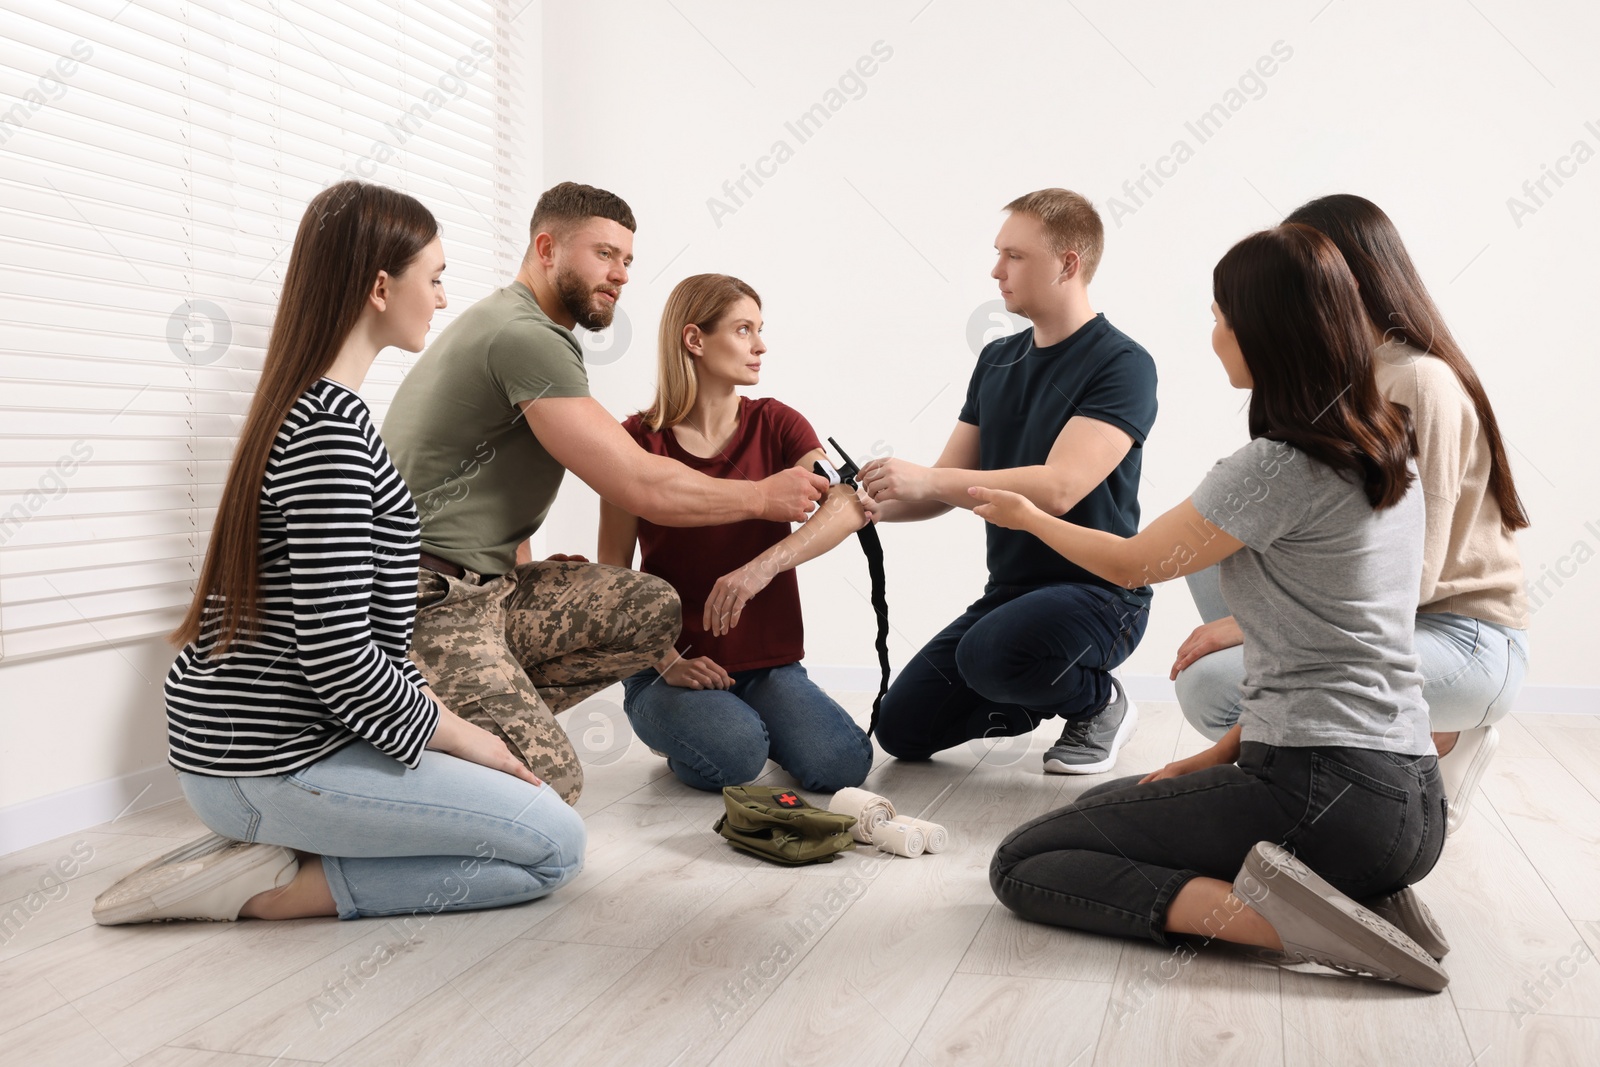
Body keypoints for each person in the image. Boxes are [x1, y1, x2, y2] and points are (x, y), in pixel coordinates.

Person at [94, 182, 585, 926]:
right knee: (555, 846)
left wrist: (442, 728)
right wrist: (468, 739)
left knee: (530, 807)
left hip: (267, 751)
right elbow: (339, 658)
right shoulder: (328, 434)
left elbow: (353, 650)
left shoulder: (320, 412)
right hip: (265, 766)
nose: (444, 298)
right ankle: (268, 888)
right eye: (436, 277)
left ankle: (278, 851)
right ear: (381, 287)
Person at [977, 224, 1451, 992]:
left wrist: (1029, 517)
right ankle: (1359, 895)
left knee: (1024, 861)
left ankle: (1294, 922)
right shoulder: (1387, 447)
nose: (1215, 334)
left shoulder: (1276, 466)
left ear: (1266, 330)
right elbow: (1333, 654)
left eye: (1221, 315)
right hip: (1410, 800)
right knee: (1109, 807)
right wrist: (1213, 755)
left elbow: (1136, 564)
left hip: (1322, 796)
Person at [382, 183, 828, 804]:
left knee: (647, 606)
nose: (619, 275)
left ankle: (465, 709)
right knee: (549, 790)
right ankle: (402, 726)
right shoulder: (527, 336)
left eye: (627, 261)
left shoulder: (521, 328)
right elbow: (641, 483)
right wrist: (760, 498)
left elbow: (490, 484)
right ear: (547, 248)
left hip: (481, 588)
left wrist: (524, 572)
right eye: (603, 255)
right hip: (425, 601)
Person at [1170, 194, 1530, 833]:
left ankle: (1419, 752)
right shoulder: (1343, 376)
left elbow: (1409, 569)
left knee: (1216, 688)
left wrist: (1247, 632)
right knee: (1216, 551)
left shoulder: (1418, 381)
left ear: (1351, 278)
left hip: (1464, 638)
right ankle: (1348, 762)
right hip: (1381, 632)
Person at [859, 189, 1158, 775]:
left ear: (1068, 263)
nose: (996, 271)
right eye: (999, 254)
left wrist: (928, 478)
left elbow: (1060, 486)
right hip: (1013, 598)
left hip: (1103, 595)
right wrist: (864, 504)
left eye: (1014, 256)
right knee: (901, 729)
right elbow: (945, 488)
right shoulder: (997, 360)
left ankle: (1099, 703)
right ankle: (1025, 683)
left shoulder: (1122, 363)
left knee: (990, 652)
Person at [597, 274, 875, 793]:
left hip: (767, 663)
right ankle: (687, 724)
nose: (761, 345)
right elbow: (612, 573)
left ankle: (735, 717)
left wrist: (761, 567)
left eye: (760, 329)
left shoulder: (778, 423)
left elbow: (847, 502)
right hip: (671, 666)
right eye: (744, 329)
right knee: (736, 757)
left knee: (841, 765)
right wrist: (665, 660)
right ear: (694, 339)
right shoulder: (634, 440)